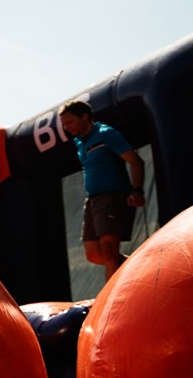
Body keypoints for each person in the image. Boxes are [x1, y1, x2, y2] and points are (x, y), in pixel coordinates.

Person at [58, 101, 146, 281]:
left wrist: (137, 190)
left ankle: (110, 305)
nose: (67, 128)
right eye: (64, 125)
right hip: (92, 200)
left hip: (113, 195)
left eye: (70, 122)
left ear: (84, 116)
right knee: (93, 254)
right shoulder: (79, 142)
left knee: (109, 252)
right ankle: (142, 269)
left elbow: (136, 161)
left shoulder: (106, 133)